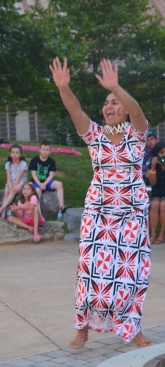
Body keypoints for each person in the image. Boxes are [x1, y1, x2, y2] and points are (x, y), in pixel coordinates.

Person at [50, 57, 151, 349]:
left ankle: (133, 328)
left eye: (115, 102)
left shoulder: (137, 134)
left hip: (130, 215)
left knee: (131, 274)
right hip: (99, 214)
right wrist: (63, 88)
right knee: (91, 271)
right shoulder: (95, 137)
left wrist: (116, 87)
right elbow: (75, 109)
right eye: (106, 102)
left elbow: (137, 112)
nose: (110, 106)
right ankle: (82, 328)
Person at [29, 141, 66, 219]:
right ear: (40, 150)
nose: (45, 151)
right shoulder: (35, 160)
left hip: (47, 182)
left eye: (47, 150)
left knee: (59, 184)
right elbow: (33, 174)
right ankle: (38, 213)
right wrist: (40, 184)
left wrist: (44, 184)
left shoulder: (51, 161)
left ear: (50, 151)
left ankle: (61, 207)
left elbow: (51, 175)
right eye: (43, 149)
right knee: (38, 191)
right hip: (36, 182)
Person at [0, 144, 28, 218]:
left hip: (21, 182)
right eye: (13, 152)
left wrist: (13, 187)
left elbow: (19, 177)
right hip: (11, 182)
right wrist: (9, 186)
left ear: (20, 154)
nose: (14, 154)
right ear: (10, 154)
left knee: (13, 191)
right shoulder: (8, 164)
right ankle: (3, 213)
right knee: (6, 192)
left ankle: (1, 208)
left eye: (17, 152)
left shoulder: (23, 164)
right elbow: (8, 177)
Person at [147, 142, 165, 244]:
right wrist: (153, 168)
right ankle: (153, 234)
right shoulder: (153, 164)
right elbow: (152, 183)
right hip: (157, 193)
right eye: (161, 153)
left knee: (163, 206)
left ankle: (162, 234)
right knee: (154, 205)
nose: (163, 155)